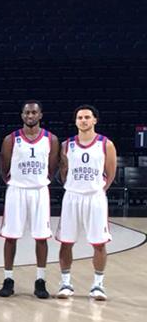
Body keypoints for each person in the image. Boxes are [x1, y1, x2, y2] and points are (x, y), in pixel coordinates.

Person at [0, 101, 59, 298]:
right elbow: (4, 167)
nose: (30, 115)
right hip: (17, 190)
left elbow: (52, 168)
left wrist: (40, 181)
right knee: (10, 236)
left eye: (34, 112)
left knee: (41, 237)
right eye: (26, 113)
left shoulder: (51, 139)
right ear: (22, 115)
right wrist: (16, 181)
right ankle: (8, 279)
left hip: (39, 191)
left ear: (40, 115)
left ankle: (40, 280)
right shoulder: (11, 139)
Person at [56, 105, 116, 301]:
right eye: (80, 117)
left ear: (94, 120)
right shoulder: (66, 145)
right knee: (66, 242)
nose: (83, 120)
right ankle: (66, 283)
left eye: (87, 117)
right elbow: (63, 172)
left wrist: (99, 190)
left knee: (99, 243)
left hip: (95, 197)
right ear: (75, 121)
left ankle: (98, 285)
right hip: (72, 196)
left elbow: (111, 172)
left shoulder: (106, 144)